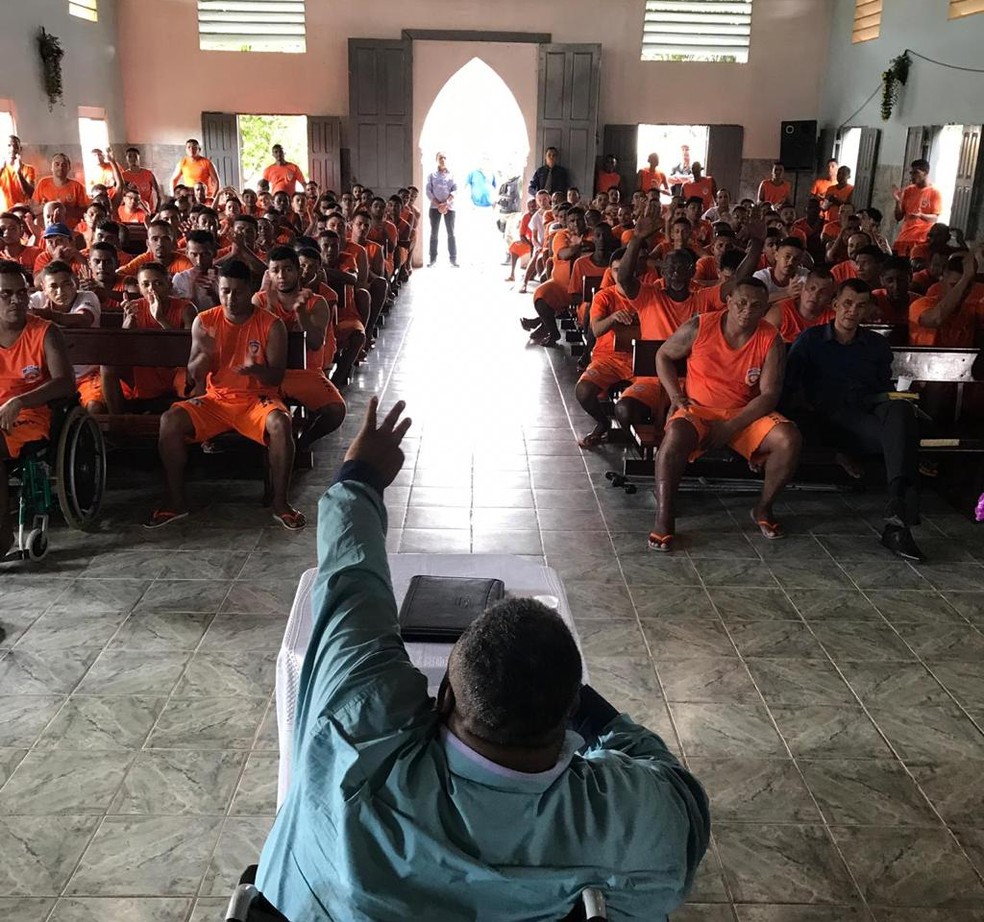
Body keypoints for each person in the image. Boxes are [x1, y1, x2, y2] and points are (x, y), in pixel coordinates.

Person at [255, 395, 710, 920]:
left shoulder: (353, 737)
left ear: (444, 694)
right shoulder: (630, 819)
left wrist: (360, 476)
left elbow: (350, 586)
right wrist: (583, 705)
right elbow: (681, 799)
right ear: (569, 718)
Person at [148, 259, 303, 530]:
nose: (231, 299)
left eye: (238, 292)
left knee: (281, 423)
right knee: (169, 420)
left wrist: (257, 369)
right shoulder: (205, 321)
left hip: (256, 400)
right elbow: (193, 375)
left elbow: (276, 377)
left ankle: (281, 504)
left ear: (250, 290)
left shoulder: (271, 324)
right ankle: (175, 501)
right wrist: (205, 355)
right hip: (217, 400)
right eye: (225, 291)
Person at [650, 278, 800, 550]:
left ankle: (763, 508)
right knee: (674, 437)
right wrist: (675, 396)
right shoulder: (700, 326)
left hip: (744, 414)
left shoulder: (770, 338)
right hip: (698, 409)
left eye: (756, 305)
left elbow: (769, 394)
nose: (747, 310)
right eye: (741, 303)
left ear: (765, 308)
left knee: (788, 439)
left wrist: (731, 426)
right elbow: (663, 356)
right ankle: (664, 518)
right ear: (728, 302)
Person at [785, 279, 924, 560]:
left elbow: (882, 388)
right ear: (835, 305)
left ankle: (897, 504)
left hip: (868, 413)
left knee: (901, 411)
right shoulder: (811, 340)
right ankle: (898, 522)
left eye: (860, 306)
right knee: (902, 438)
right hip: (830, 419)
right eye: (847, 304)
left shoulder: (875, 345)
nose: (852, 311)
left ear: (867, 310)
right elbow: (789, 389)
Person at [0, 260, 75, 557]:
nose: (16, 300)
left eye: (22, 293)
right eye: (6, 294)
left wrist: (21, 401)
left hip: (29, 415)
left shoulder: (45, 331)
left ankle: (2, 534)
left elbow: (65, 383)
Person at [254, 247, 345, 450]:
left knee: (336, 411)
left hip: (305, 372)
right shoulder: (259, 300)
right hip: (268, 372)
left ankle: (302, 445)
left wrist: (302, 314)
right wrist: (270, 308)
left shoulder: (317, 302)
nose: (281, 276)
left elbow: (315, 343)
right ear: (268, 274)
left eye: (287, 269)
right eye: (275, 270)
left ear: (297, 271)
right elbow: (257, 343)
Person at [92, 262, 196, 414]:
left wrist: (161, 319)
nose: (151, 289)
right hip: (143, 366)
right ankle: (117, 419)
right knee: (107, 366)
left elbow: (186, 348)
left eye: (158, 283)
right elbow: (121, 348)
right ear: (139, 288)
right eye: (145, 284)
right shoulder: (135, 307)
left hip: (176, 367)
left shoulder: (186, 308)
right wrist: (129, 321)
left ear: (169, 284)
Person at [909, 249, 979, 348]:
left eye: (967, 286)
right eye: (954, 285)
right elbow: (936, 319)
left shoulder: (972, 310)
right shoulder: (920, 305)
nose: (961, 292)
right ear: (942, 280)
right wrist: (965, 278)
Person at [764, 267, 836, 342]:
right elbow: (763, 343)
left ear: (830, 298)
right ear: (802, 289)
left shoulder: (833, 320)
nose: (815, 295)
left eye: (823, 292)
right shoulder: (779, 313)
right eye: (812, 288)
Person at [893, 159, 943, 257]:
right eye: (911, 173)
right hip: (904, 237)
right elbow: (898, 217)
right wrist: (898, 201)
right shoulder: (908, 190)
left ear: (925, 173)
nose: (912, 176)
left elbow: (934, 218)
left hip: (922, 239)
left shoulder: (934, 192)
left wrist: (921, 215)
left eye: (916, 173)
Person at [119, 220, 194, 278]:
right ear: (148, 243)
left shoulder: (184, 262)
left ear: (173, 243)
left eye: (165, 239)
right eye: (155, 239)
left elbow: (194, 278)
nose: (160, 243)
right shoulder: (144, 259)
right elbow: (120, 273)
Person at [33, 154, 89, 228]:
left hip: (70, 229)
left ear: (69, 168)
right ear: (51, 167)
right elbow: (34, 209)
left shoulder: (77, 186)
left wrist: (65, 209)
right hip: (47, 229)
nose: (60, 167)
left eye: (64, 165)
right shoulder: (43, 183)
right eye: (57, 164)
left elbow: (84, 212)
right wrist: (46, 207)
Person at [172, 229, 220, 311]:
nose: (199, 261)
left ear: (214, 252)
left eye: (205, 254)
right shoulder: (180, 279)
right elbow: (179, 312)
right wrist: (192, 288)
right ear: (187, 253)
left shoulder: (225, 277)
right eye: (194, 254)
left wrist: (214, 295)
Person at [425, 152, 457, 268]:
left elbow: (455, 190)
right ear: (436, 160)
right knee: (434, 233)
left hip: (450, 207)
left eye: (444, 158)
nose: (443, 160)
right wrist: (439, 205)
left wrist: (446, 203)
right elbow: (428, 191)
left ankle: (453, 259)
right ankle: (432, 259)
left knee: (451, 233)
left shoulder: (451, 175)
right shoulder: (432, 175)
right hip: (435, 207)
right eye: (440, 158)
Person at [0, 136, 36, 212]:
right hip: (5, 214)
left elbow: (31, 194)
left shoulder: (28, 169)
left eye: (15, 146)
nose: (12, 149)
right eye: (9, 145)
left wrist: (19, 173)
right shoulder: (2, 169)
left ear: (20, 149)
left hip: (22, 212)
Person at [120, 146, 160, 212]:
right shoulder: (123, 176)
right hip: (131, 212)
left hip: (148, 211)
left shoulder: (148, 174)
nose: (133, 159)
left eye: (135, 156)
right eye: (130, 156)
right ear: (126, 159)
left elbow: (158, 193)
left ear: (139, 157)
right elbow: (120, 195)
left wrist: (157, 209)